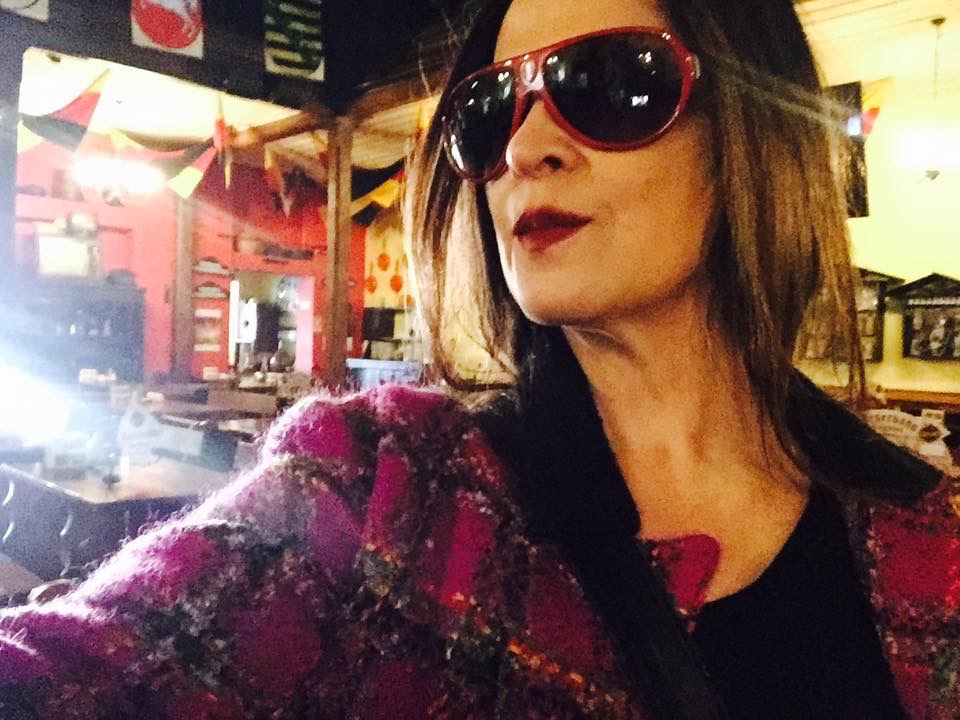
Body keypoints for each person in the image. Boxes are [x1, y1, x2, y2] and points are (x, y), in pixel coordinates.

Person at [0, 0, 957, 717]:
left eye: (607, 83)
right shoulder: (384, 488)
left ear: (754, 127)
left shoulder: (931, 539)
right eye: (489, 111)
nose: (526, 147)